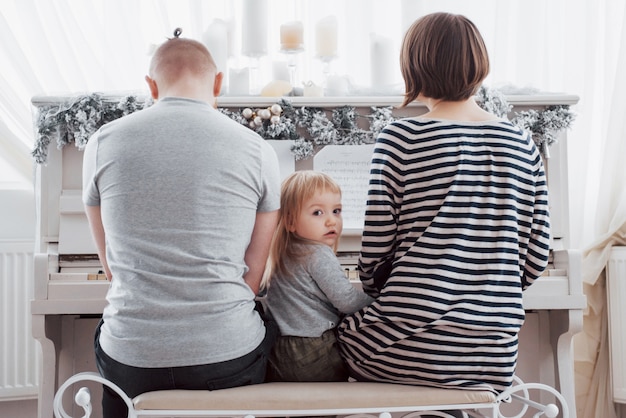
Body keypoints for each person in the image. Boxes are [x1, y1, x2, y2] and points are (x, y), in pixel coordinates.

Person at [337, 12, 551, 394]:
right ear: (479, 65)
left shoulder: (401, 137)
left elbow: (373, 261)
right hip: (493, 356)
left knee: (317, 340)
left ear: (414, 67)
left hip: (404, 346)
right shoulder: (522, 143)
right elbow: (534, 261)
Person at [82, 29, 281, 418]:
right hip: (225, 356)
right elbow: (252, 279)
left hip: (132, 357)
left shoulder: (103, 142)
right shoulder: (257, 150)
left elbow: (112, 268)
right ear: (219, 82)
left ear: (151, 86)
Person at [263, 171, 373, 382]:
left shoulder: (281, 253)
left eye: (336, 211)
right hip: (313, 349)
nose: (332, 221)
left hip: (278, 349)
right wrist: (378, 303)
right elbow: (347, 301)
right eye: (317, 213)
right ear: (290, 222)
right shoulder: (316, 253)